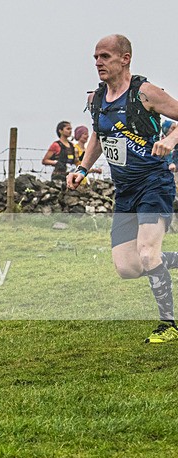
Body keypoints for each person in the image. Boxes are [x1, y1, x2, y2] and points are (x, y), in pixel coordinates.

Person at [67, 34, 178, 343]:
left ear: (124, 58)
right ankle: (167, 260)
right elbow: (98, 136)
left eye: (104, 56)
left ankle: (169, 325)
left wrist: (170, 140)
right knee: (127, 267)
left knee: (146, 252)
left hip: (154, 183)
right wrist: (82, 168)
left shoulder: (145, 93)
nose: (98, 62)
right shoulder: (97, 99)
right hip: (125, 190)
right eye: (95, 57)